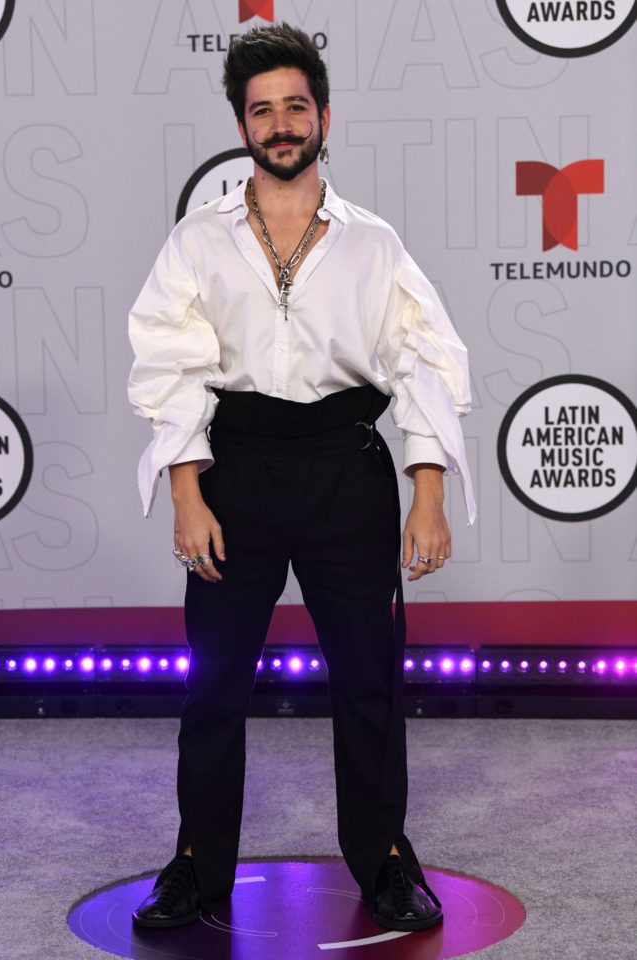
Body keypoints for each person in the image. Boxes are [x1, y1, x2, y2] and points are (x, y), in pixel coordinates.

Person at [127, 22, 475, 934]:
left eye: (295, 106)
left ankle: (387, 862)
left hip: (345, 474)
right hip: (235, 474)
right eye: (261, 110)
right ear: (242, 125)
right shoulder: (197, 241)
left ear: (324, 116)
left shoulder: (374, 243)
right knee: (213, 690)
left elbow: (425, 362)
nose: (280, 124)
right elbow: (170, 369)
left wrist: (427, 490)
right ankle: (196, 868)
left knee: (368, 684)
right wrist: (188, 492)